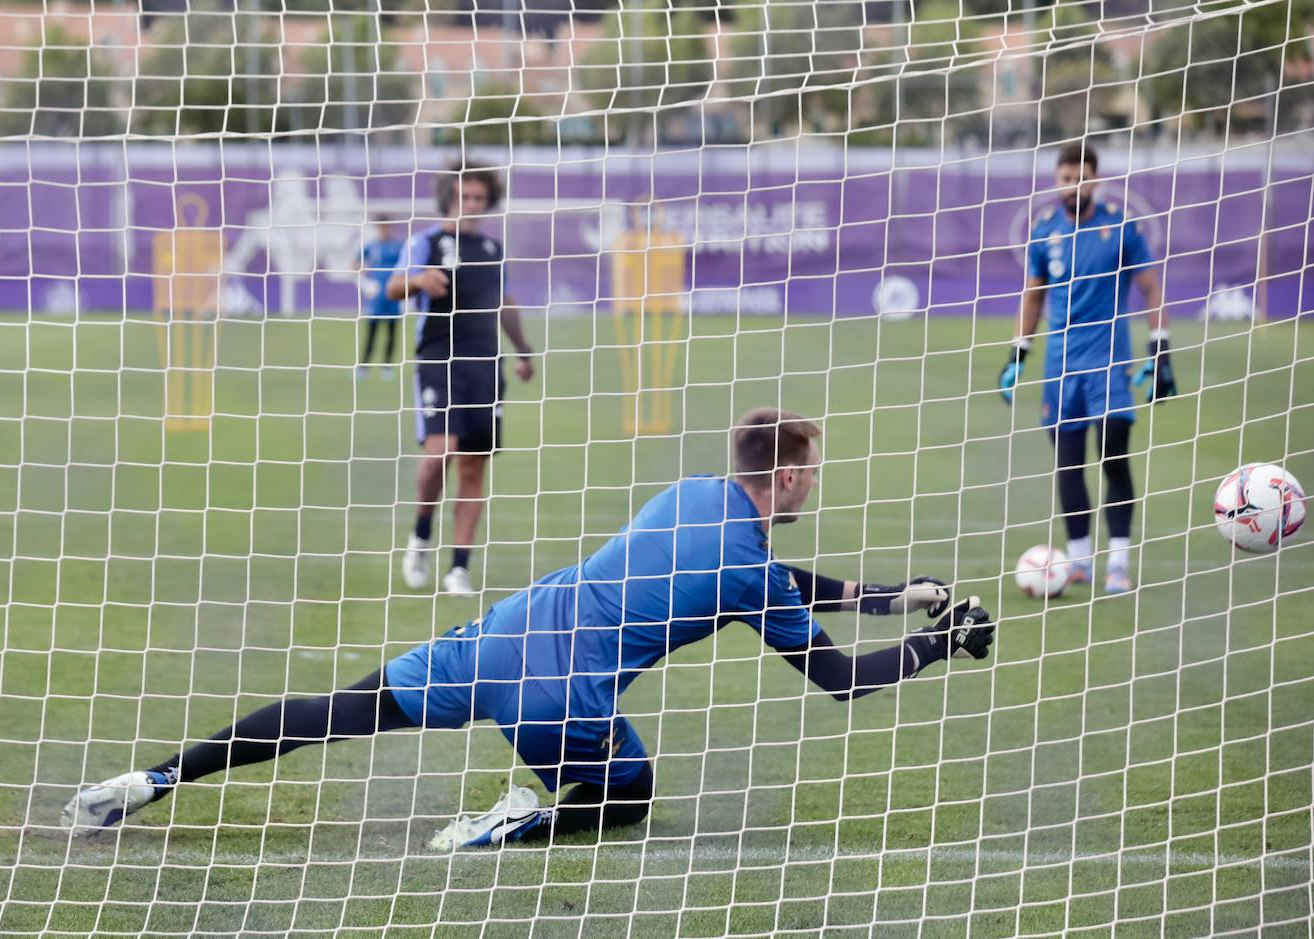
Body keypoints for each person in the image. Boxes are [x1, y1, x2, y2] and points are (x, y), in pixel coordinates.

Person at [61, 409, 996, 850]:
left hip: (508, 630)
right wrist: (939, 639)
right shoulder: (748, 565)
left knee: (336, 710)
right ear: (788, 479)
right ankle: (519, 817)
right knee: (627, 796)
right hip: (560, 697)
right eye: (813, 472)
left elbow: (769, 580)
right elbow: (839, 681)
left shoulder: (693, 495)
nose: (814, 482)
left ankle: (151, 779)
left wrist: (891, 594)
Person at [998, 142, 1175, 594]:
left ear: (1095, 180)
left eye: (1082, 177)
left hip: (1110, 363)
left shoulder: (1120, 226)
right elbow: (1034, 295)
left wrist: (1160, 347)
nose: (1074, 185)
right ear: (1056, 181)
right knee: (1068, 463)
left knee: (1114, 455)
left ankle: (1118, 561)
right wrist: (1019, 351)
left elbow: (1151, 287)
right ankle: (1079, 561)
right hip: (1061, 367)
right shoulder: (1045, 230)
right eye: (1066, 178)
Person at [386, 162, 535, 596]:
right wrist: (417, 280)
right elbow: (392, 287)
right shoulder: (425, 242)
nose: (470, 204)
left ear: (488, 202)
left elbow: (504, 304)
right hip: (437, 356)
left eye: (478, 198)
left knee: (473, 467)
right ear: (449, 197)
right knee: (440, 453)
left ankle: (459, 568)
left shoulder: (493, 249)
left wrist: (523, 351)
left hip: (485, 363)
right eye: (463, 196)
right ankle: (420, 535)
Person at [356, 215, 403, 379]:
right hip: (376, 299)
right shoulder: (371, 246)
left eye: (386, 226)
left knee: (391, 333)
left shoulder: (399, 246)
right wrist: (364, 283)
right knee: (371, 334)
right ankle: (363, 367)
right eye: (381, 227)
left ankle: (387, 367)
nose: (384, 230)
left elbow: (408, 265)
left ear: (390, 228)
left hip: (394, 297)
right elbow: (355, 264)